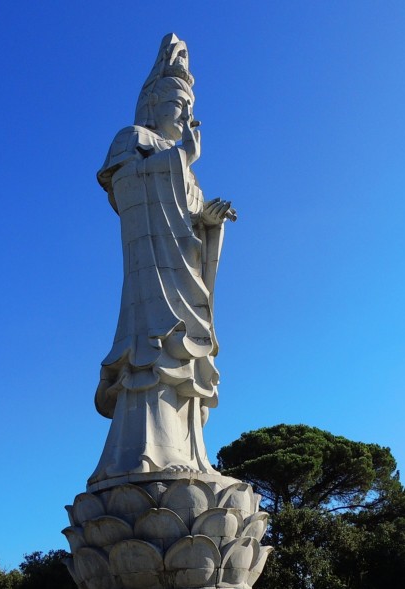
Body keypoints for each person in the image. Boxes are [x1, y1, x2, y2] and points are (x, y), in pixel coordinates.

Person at [90, 33, 236, 485]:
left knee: (186, 360)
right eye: (178, 104)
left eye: (190, 107)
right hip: (152, 280)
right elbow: (125, 189)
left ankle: (191, 457)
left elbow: (188, 223)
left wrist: (208, 222)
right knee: (152, 355)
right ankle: (140, 458)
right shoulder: (133, 139)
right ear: (153, 105)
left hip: (183, 277)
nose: (187, 115)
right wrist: (179, 159)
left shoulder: (183, 167)